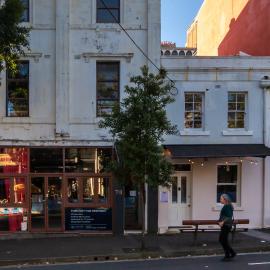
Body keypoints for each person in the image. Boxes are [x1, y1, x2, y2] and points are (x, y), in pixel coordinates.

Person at [218, 193, 236, 261]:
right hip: (226, 225)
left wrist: (222, 222)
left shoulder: (227, 206)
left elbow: (229, 216)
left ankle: (228, 254)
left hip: (226, 225)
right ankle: (231, 253)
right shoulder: (227, 205)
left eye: (221, 198)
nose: (220, 200)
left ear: (225, 199)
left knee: (223, 240)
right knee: (223, 240)